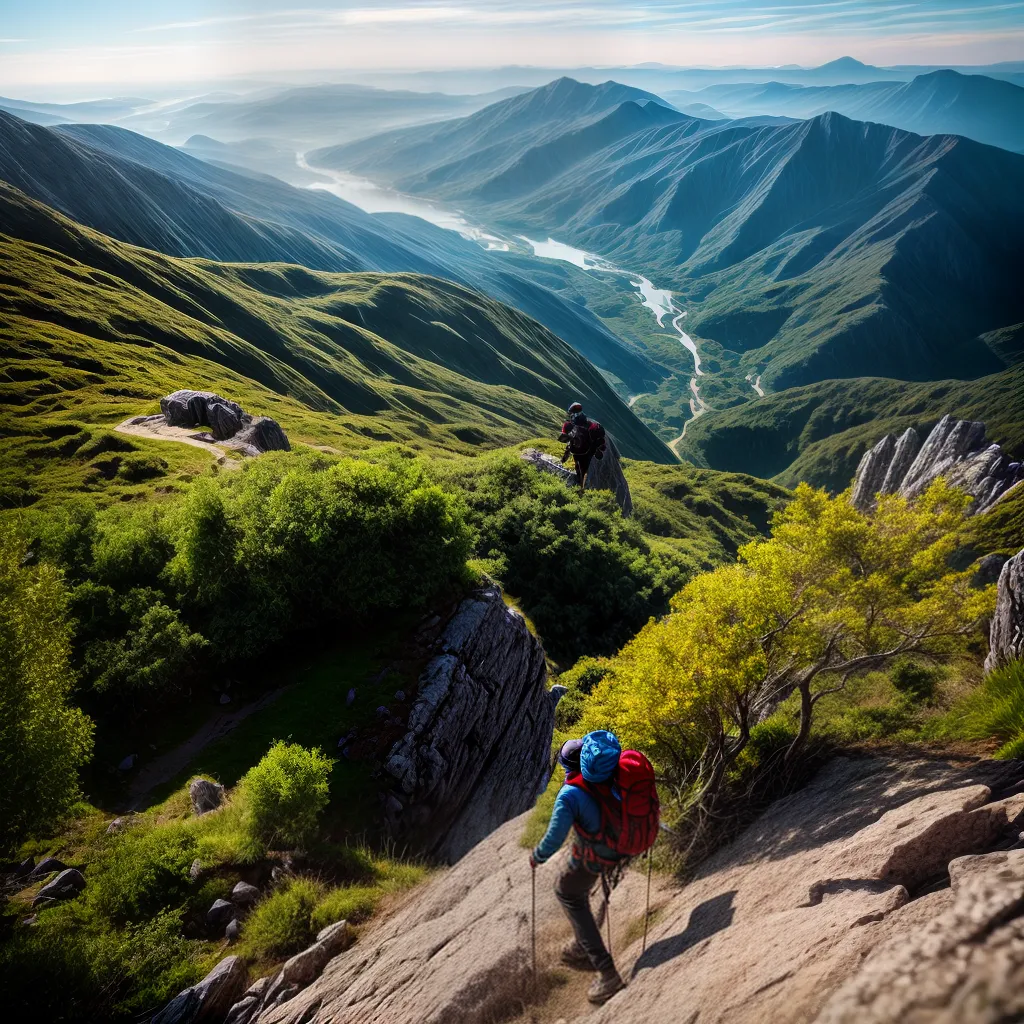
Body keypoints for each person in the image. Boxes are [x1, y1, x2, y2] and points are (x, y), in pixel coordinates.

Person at [530, 731, 627, 1005]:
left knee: (568, 893)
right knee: (577, 889)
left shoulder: (569, 794)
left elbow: (554, 838)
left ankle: (606, 971)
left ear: (565, 767)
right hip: (622, 843)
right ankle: (580, 944)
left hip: (598, 853)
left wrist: (537, 856)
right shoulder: (606, 776)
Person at [559, 402, 607, 492]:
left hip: (577, 451)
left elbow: (564, 438)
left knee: (579, 469)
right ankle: (582, 488)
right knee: (583, 470)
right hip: (588, 452)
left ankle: (580, 488)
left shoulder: (568, 425)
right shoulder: (591, 425)